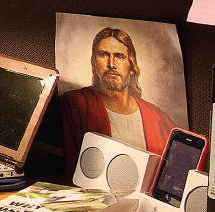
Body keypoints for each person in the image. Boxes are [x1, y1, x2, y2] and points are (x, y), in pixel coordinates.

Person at [61, 26, 177, 171]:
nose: (111, 64)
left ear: (132, 65)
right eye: (103, 55)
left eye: (119, 57)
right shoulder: (76, 103)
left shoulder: (158, 119)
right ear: (94, 62)